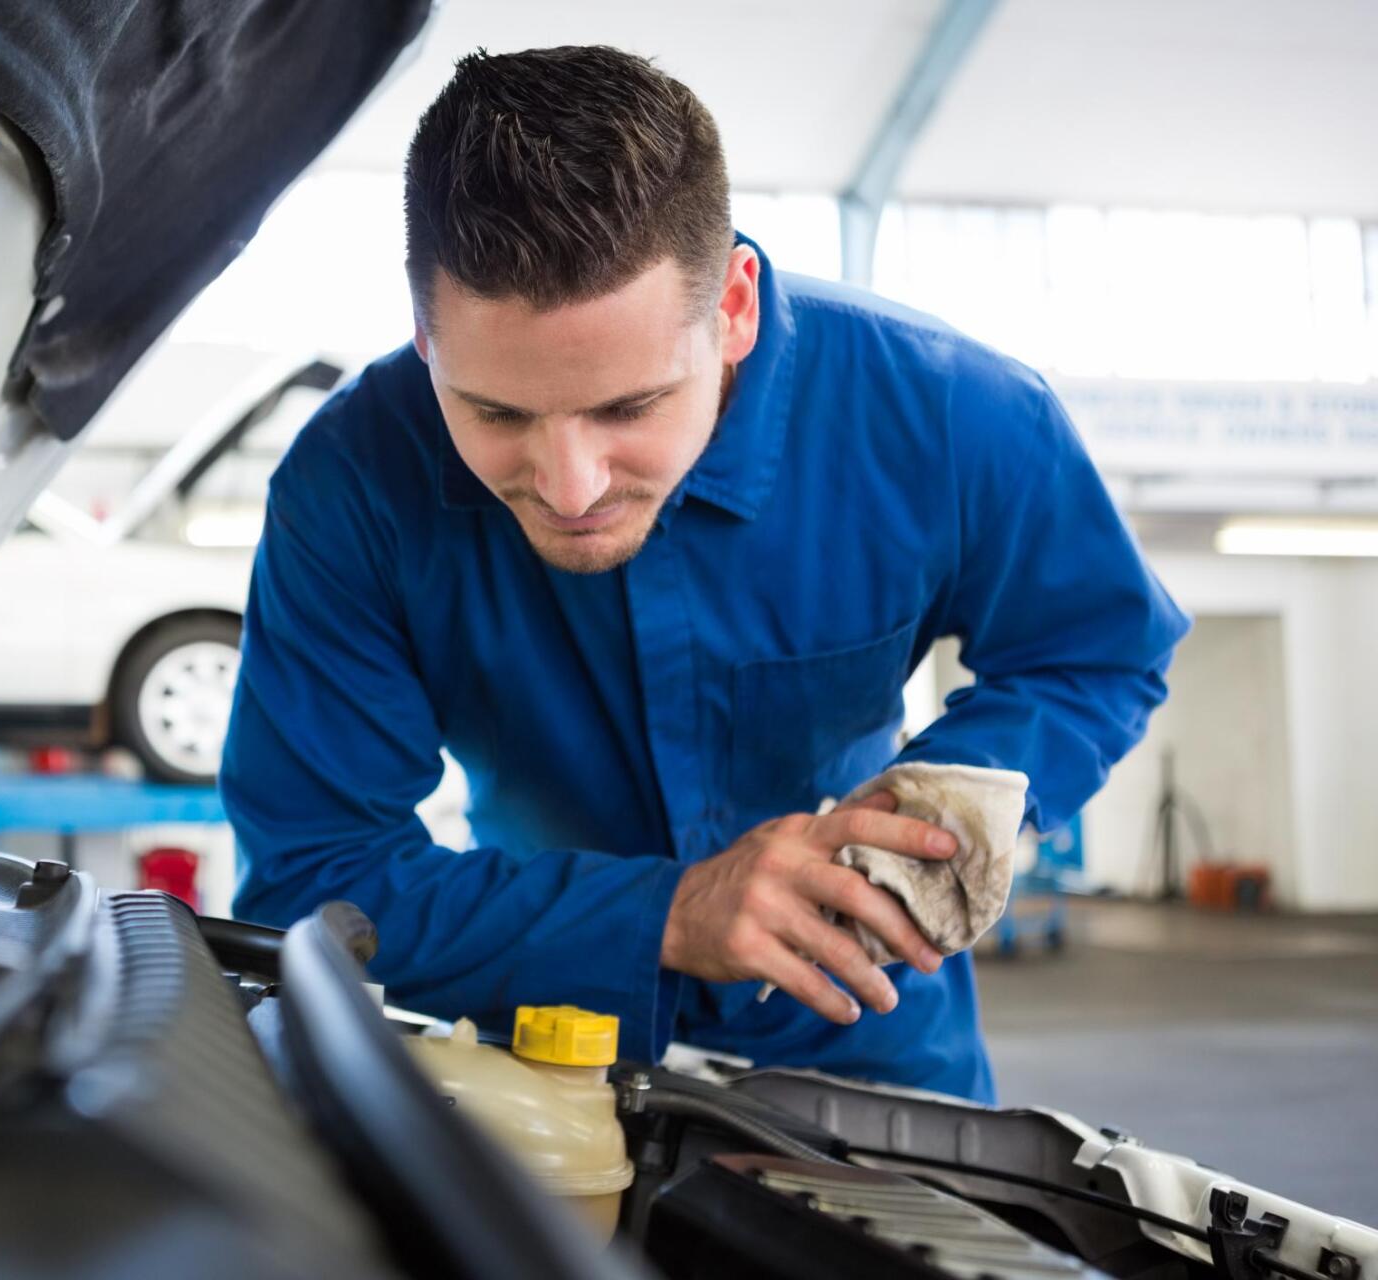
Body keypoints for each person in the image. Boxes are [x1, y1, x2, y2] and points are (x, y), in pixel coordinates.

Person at [219, 46, 1188, 1101]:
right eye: (496, 413)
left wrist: (923, 821)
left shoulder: (954, 414)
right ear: (424, 333)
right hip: (528, 1041)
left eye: (628, 407)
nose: (570, 482)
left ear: (734, 306)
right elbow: (313, 879)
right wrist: (669, 912)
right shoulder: (349, 482)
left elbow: (1094, 649)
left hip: (867, 1040)